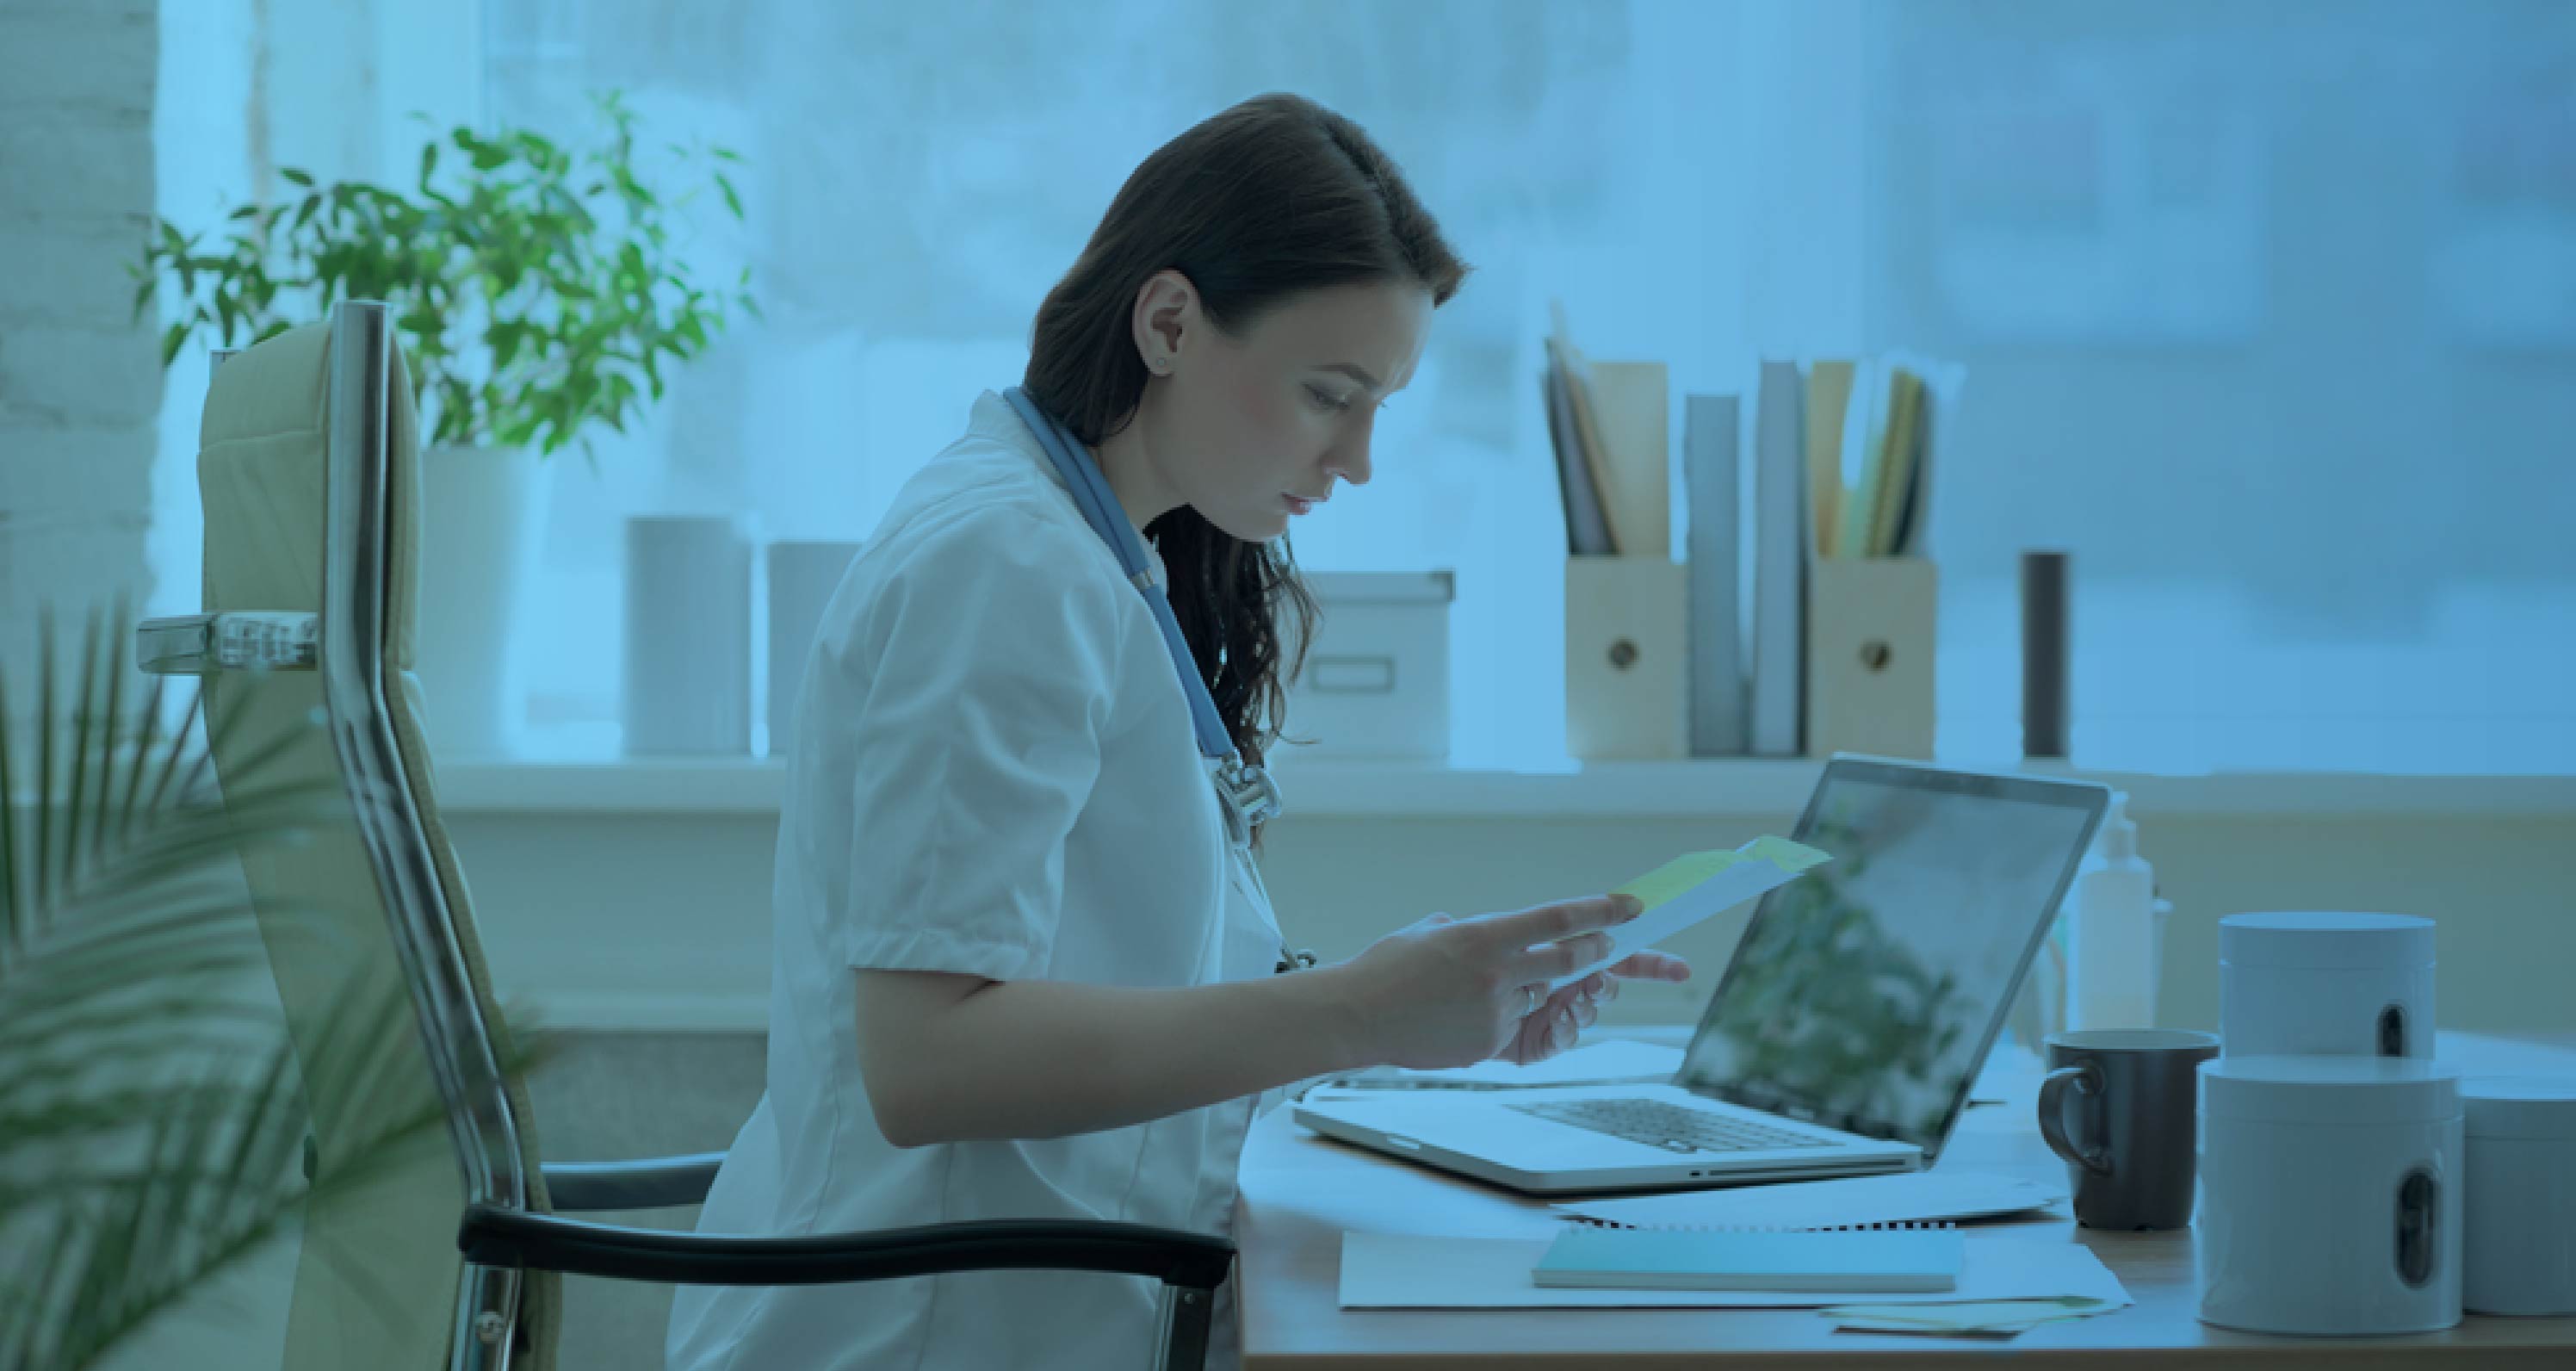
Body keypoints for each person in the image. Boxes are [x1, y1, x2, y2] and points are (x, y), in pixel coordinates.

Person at [666, 91, 1690, 1371]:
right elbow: (928, 1063)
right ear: (1169, 323)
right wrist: (1357, 1013)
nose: (1360, 459)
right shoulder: (1006, 562)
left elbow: (1091, 968)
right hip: (920, 1330)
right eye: (1331, 395)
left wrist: (1415, 1004)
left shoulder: (1099, 554)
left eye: (1381, 405)